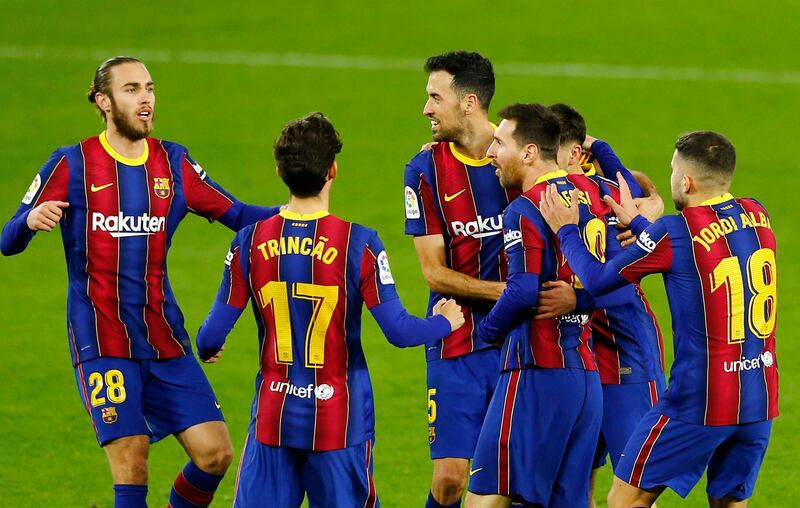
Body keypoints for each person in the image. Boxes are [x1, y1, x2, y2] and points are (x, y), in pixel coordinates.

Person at [1, 56, 280, 508]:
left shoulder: (174, 162)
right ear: (103, 101)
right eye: (131, 89)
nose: (146, 98)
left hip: (164, 338)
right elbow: (7, 241)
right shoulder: (72, 164)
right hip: (102, 339)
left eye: (149, 88)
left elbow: (239, 215)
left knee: (215, 454)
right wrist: (30, 220)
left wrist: (300, 209)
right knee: (132, 461)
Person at [196, 112, 465, 507]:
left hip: (274, 418)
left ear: (279, 171)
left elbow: (209, 337)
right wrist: (444, 322)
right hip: (340, 423)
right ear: (333, 170)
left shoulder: (248, 241)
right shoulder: (360, 243)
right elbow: (400, 331)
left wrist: (207, 349)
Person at [539, 131, 778, 507]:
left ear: (686, 181)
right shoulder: (757, 213)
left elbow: (600, 280)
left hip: (699, 400)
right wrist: (637, 225)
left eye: (672, 171)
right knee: (730, 504)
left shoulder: (674, 231)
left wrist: (566, 229)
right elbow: (701, 252)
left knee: (625, 500)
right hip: (759, 396)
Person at [465, 103, 618, 507]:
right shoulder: (592, 192)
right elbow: (619, 272)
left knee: (485, 497)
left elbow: (521, 291)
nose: (490, 153)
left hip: (537, 371)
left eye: (499, 143)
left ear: (529, 153)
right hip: (585, 378)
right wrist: (581, 298)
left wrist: (484, 333)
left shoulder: (524, 208)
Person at [403, 50, 514, 508]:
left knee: (513, 477)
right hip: (455, 339)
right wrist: (506, 293)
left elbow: (584, 157)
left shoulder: (519, 156)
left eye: (435, 97)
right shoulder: (424, 168)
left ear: (469, 102)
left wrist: (644, 198)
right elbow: (433, 272)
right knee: (450, 479)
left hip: (518, 342)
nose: (426, 108)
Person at [548, 103, 667, 507]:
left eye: (552, 151)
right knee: (575, 482)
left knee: (633, 492)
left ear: (577, 155)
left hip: (626, 354)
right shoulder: (544, 196)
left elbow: (634, 186)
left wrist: (648, 202)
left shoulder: (606, 197)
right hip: (579, 359)